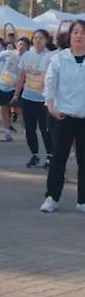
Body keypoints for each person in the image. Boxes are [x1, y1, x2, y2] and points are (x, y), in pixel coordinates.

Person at [41, 20, 85, 213]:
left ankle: (82, 200)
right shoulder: (59, 58)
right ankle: (52, 197)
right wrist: (50, 106)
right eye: (75, 32)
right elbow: (50, 83)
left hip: (83, 116)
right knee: (58, 158)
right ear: (70, 35)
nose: (79, 35)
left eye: (83, 32)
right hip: (62, 116)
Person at [14, 29, 53, 169]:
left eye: (41, 38)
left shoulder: (50, 56)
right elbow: (21, 77)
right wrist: (16, 94)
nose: (38, 41)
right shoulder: (27, 55)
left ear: (46, 40)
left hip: (44, 100)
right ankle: (34, 154)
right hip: (28, 98)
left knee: (45, 129)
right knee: (29, 129)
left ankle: (50, 156)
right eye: (35, 38)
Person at [0, 37, 29, 142]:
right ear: (17, 45)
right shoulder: (8, 53)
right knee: (4, 108)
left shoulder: (28, 58)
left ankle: (27, 131)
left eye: (24, 45)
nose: (21, 47)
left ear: (27, 47)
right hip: (2, 85)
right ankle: (7, 132)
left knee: (18, 109)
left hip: (17, 87)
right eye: (20, 44)